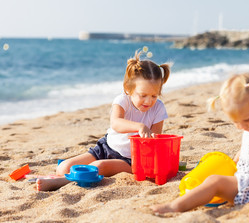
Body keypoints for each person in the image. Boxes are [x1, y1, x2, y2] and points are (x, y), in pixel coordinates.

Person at [151, 73, 249, 220]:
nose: (241, 126)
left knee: (215, 182)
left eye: (246, 120)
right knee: (215, 175)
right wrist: (236, 160)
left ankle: (175, 206)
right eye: (236, 121)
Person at [36, 49, 170, 191]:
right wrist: (140, 126)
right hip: (106, 147)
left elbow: (155, 142)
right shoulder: (122, 101)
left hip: (130, 159)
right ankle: (65, 176)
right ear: (129, 89)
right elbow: (116, 123)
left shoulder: (158, 108)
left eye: (154, 96)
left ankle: (62, 183)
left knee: (97, 167)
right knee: (63, 168)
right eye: (143, 95)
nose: (148, 101)